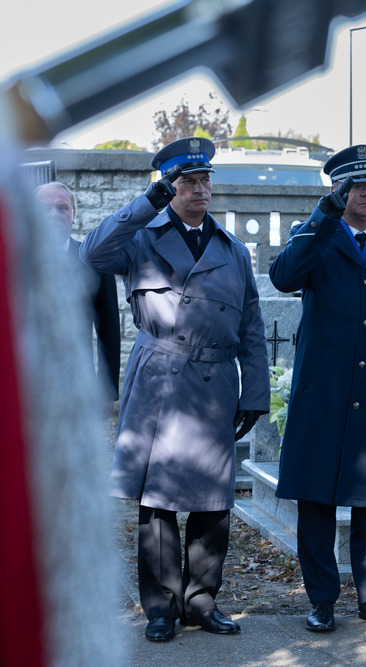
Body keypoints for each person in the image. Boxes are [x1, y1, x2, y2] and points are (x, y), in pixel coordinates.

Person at [80, 137, 269, 642]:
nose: (201, 189)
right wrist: (147, 203)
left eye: (206, 181)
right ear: (169, 186)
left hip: (214, 383)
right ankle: (161, 608)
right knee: (158, 501)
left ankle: (202, 602)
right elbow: (93, 252)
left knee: (212, 501)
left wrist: (255, 394)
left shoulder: (233, 250)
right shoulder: (141, 239)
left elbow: (251, 325)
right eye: (188, 181)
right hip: (158, 382)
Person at [269, 145, 366, 633]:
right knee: (316, 501)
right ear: (337, 191)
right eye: (356, 186)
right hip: (322, 392)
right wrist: (323, 216)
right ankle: (321, 599)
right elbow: (283, 277)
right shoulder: (314, 236)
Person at [34, 181, 120, 412]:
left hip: (75, 388)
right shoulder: (13, 262)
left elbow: (108, 329)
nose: (54, 214)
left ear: (73, 215)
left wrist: (107, 390)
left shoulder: (94, 262)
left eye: (61, 208)